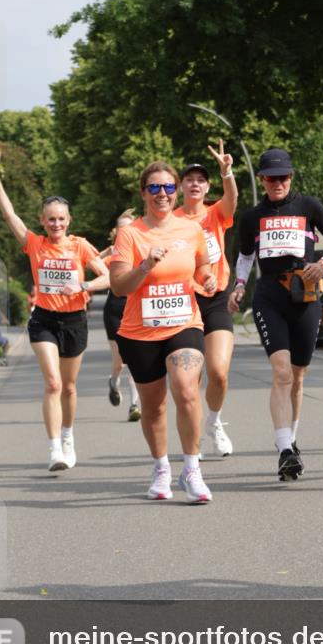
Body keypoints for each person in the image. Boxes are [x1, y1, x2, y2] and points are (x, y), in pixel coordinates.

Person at [0, 149, 109, 472]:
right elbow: (9, 214)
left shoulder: (80, 246)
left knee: (69, 387)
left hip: (74, 320)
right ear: (42, 221)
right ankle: (54, 448)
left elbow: (108, 277)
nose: (56, 224)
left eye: (61, 219)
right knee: (53, 383)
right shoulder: (35, 244)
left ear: (69, 221)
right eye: (50, 219)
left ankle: (68, 435)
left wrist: (82, 286)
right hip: (43, 320)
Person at [228, 149, 323, 481]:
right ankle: (284, 450)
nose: (277, 183)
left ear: (291, 177)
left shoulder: (309, 206)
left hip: (305, 296)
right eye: (270, 178)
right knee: (281, 372)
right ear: (262, 179)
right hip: (269, 297)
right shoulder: (252, 217)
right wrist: (239, 286)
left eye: (282, 177)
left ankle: (291, 441)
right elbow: (245, 257)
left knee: (298, 375)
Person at [110, 161, 217, 503]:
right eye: (154, 188)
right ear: (143, 193)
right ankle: (161, 468)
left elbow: (202, 264)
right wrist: (145, 265)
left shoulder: (191, 229)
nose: (162, 194)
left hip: (184, 323)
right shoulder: (130, 234)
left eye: (168, 187)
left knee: (186, 389)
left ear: (176, 191)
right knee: (154, 407)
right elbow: (118, 286)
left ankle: (192, 470)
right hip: (140, 331)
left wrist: (206, 278)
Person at [175, 140, 237, 455]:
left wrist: (227, 173)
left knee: (219, 373)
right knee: (191, 378)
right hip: (185, 302)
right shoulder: (172, 221)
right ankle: (194, 437)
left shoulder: (215, 215)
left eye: (201, 180)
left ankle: (214, 421)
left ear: (207, 186)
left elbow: (232, 200)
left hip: (216, 298)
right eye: (190, 180)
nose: (195, 184)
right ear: (181, 186)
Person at [100, 209, 141, 421]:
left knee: (134, 361)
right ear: (116, 231)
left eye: (130, 227)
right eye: (121, 228)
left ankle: (134, 405)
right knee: (120, 362)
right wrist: (107, 252)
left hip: (136, 309)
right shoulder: (113, 257)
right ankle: (113, 382)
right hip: (115, 310)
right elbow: (90, 262)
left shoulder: (141, 251)